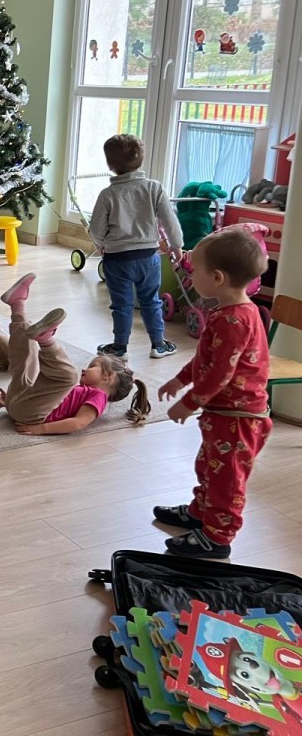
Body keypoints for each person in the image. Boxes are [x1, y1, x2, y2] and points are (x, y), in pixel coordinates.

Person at [155, 227, 271, 559]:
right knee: (209, 465)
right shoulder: (227, 313)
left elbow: (221, 373)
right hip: (224, 413)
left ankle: (218, 537)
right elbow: (207, 358)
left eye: (195, 271)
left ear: (217, 278)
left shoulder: (234, 321)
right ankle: (200, 513)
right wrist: (180, 380)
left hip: (239, 419)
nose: (191, 276)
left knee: (227, 480)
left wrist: (189, 402)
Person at [0, 272, 151, 437]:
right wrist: (10, 402)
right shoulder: (83, 390)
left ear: (108, 377)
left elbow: (79, 423)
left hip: (33, 416)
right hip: (19, 404)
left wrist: (41, 429)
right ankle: (17, 306)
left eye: (93, 366)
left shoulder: (99, 397)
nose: (85, 369)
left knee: (69, 376)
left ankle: (46, 341)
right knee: (27, 360)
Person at [89, 133, 184, 361]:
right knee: (151, 301)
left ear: (110, 165)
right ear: (141, 160)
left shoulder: (107, 194)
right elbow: (169, 221)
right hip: (148, 258)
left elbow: (96, 228)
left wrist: (100, 243)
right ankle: (158, 345)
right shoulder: (154, 188)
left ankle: (120, 347)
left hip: (117, 259)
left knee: (121, 304)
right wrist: (176, 245)